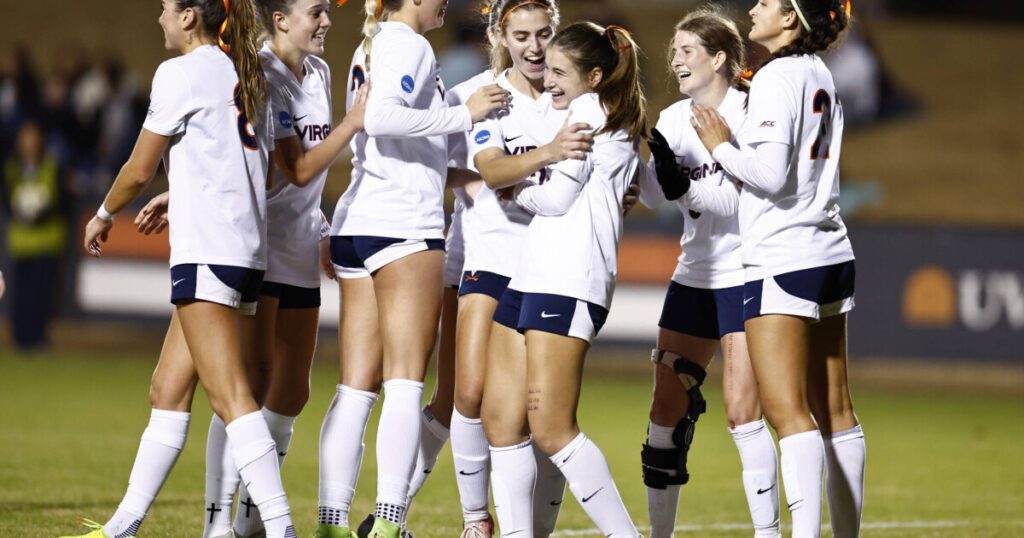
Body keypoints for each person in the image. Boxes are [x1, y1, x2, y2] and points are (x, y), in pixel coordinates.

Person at [61, 0, 299, 537]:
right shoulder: (247, 69)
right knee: (167, 389)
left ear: (190, 16)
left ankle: (281, 528)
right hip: (242, 254)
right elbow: (259, 173)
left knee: (232, 398)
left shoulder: (180, 73)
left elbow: (137, 167)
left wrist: (102, 214)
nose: (160, 18)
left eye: (167, 8)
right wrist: (182, 194)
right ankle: (123, 524)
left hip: (208, 256)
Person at [318, 0, 508, 536]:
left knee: (356, 387)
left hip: (358, 221)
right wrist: (463, 114)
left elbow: (401, 143)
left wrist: (464, 175)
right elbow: (380, 118)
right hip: (401, 226)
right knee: (404, 384)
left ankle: (330, 524)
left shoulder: (372, 41)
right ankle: (387, 524)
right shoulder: (409, 43)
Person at [691, 0, 865, 536]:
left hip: (784, 256)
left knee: (786, 412)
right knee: (836, 409)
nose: (753, 8)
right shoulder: (818, 72)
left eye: (767, 2)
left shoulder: (778, 74)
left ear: (791, 18)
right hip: (830, 249)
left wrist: (720, 146)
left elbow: (766, 175)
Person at [201, 0, 369, 536]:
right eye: (315, 12)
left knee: (292, 391)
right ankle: (218, 518)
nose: (326, 21)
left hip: (299, 246)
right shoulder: (262, 74)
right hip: (261, 246)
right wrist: (353, 124)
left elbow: (305, 187)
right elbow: (295, 170)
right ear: (280, 19)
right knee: (248, 386)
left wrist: (321, 228)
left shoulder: (318, 71)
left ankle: (251, 516)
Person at [480, 21, 644, 538]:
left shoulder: (589, 113)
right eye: (546, 68)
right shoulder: (590, 109)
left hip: (569, 278)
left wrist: (514, 188)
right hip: (535, 273)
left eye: (558, 71)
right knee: (501, 419)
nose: (547, 80)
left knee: (550, 428)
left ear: (593, 76)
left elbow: (553, 199)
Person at [637, 8, 782, 538]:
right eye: (673, 50)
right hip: (695, 274)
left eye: (686, 50)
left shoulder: (750, 113)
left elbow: (734, 201)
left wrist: (681, 187)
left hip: (745, 274)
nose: (675, 58)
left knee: (743, 412)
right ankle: (660, 534)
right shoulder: (676, 118)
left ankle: (768, 533)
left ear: (719, 58)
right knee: (665, 409)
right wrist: (636, 152)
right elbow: (655, 197)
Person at [1, 119, 71, 352]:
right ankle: (21, 340)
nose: (28, 142)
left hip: (46, 241)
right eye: (24, 136)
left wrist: (42, 212)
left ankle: (39, 339)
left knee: (41, 295)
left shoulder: (51, 165)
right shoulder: (11, 167)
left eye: (33, 136)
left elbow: (62, 200)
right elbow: (7, 200)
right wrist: (20, 211)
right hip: (21, 243)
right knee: (20, 296)